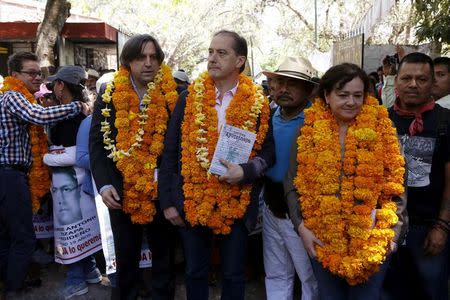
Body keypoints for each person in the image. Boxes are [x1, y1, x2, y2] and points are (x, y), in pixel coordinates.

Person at [158, 30, 275, 300]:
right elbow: (170, 150)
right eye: (210, 52)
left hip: (237, 203)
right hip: (192, 202)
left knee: (234, 275)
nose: (212, 58)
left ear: (239, 61)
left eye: (221, 53)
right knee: (194, 272)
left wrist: (245, 172)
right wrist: (168, 201)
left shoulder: (258, 103)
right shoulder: (188, 98)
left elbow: (268, 153)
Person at [284, 63, 407, 300]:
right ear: (326, 96)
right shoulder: (306, 131)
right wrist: (301, 227)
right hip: (322, 238)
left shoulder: (383, 130)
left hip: (371, 240)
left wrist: (392, 235)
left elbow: (398, 187)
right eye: (343, 95)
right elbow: (291, 182)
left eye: (357, 95)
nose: (351, 102)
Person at [89, 34, 178, 300]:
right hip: (121, 191)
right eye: (141, 57)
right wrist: (104, 184)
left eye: (154, 57)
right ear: (127, 61)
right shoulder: (109, 93)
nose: (148, 63)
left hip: (161, 193)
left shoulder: (172, 94)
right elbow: (97, 144)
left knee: (164, 260)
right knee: (125, 261)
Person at [0, 52, 88, 297]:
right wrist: (77, 106)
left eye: (39, 73)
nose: (38, 77)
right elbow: (38, 116)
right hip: (9, 176)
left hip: (11, 175)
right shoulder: (13, 96)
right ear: (14, 75)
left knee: (7, 236)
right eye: (31, 73)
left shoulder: (17, 97)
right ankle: (14, 289)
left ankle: (10, 283)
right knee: (23, 238)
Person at [386, 52, 450, 300]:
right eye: (407, 78)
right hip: (388, 228)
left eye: (421, 79)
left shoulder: (445, 121)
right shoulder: (382, 120)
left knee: (430, 292)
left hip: (428, 229)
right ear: (397, 81)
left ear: (432, 82)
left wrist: (442, 226)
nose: (413, 84)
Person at [42, 65, 102, 299]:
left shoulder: (76, 116)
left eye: (55, 83)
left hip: (74, 184)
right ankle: (90, 270)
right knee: (78, 227)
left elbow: (78, 153)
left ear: (60, 85)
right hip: (65, 184)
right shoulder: (71, 112)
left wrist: (46, 157)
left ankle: (76, 278)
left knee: (72, 228)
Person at [262, 56, 319, 300]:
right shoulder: (268, 115)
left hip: (300, 211)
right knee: (276, 272)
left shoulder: (317, 122)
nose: (284, 89)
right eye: (280, 82)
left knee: (308, 276)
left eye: (292, 84)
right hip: (269, 206)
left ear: (308, 90)